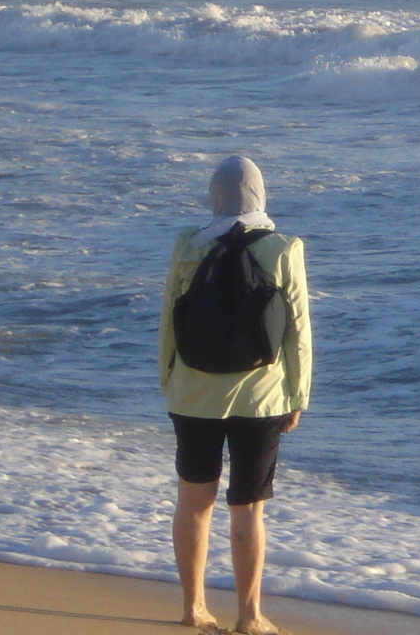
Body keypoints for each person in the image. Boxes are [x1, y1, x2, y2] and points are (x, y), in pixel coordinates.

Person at [159, 156, 312, 635]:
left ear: (215, 196)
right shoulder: (284, 248)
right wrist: (297, 394)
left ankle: (193, 608)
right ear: (260, 194)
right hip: (260, 399)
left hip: (193, 395)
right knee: (247, 510)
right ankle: (249, 617)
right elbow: (298, 332)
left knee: (193, 501)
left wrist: (171, 384)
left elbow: (169, 321)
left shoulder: (187, 246)